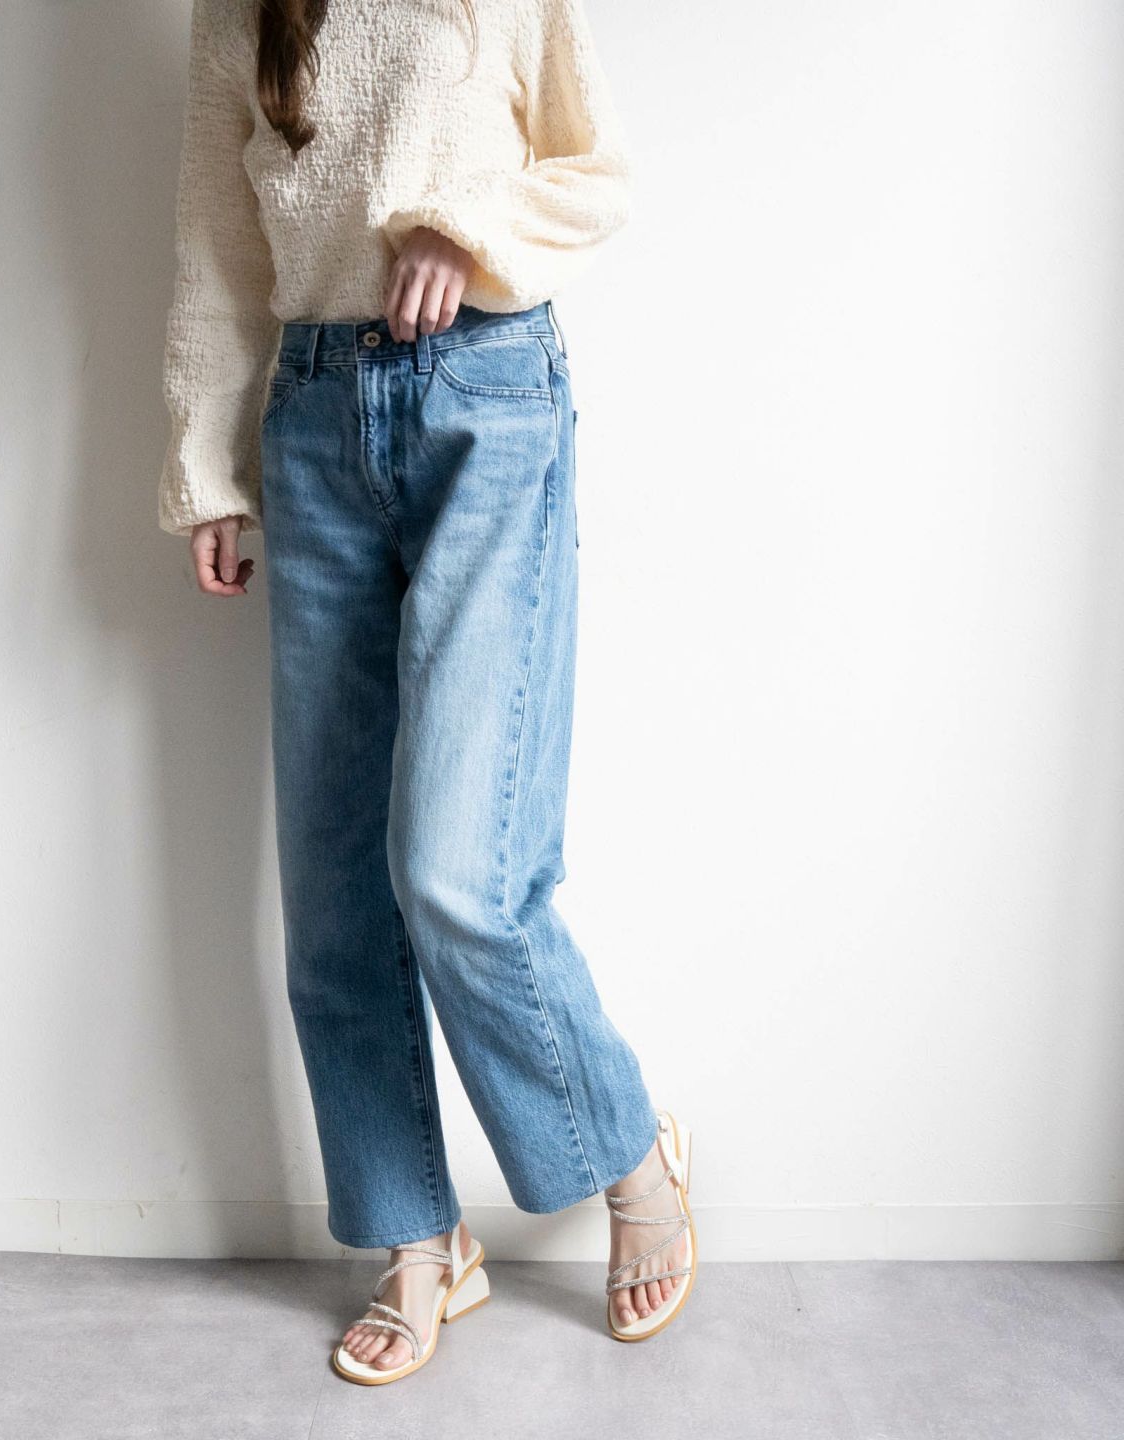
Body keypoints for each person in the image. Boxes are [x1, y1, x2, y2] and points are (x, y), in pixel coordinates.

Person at [157, 0, 696, 1383]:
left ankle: (630, 1154)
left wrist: (467, 229)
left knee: (461, 873)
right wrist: (208, 466)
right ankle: (417, 1239)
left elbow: (594, 170)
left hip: (487, 400)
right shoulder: (239, 9)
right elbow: (218, 240)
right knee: (333, 891)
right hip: (313, 420)